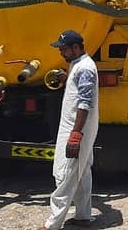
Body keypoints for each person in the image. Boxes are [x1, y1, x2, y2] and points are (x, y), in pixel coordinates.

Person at [39, 30, 99, 230]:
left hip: (77, 127)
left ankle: (53, 225)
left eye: (63, 49)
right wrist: (67, 77)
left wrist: (75, 134)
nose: (60, 53)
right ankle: (83, 216)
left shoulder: (85, 69)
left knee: (65, 174)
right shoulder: (77, 66)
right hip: (76, 126)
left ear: (76, 48)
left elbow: (84, 103)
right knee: (81, 173)